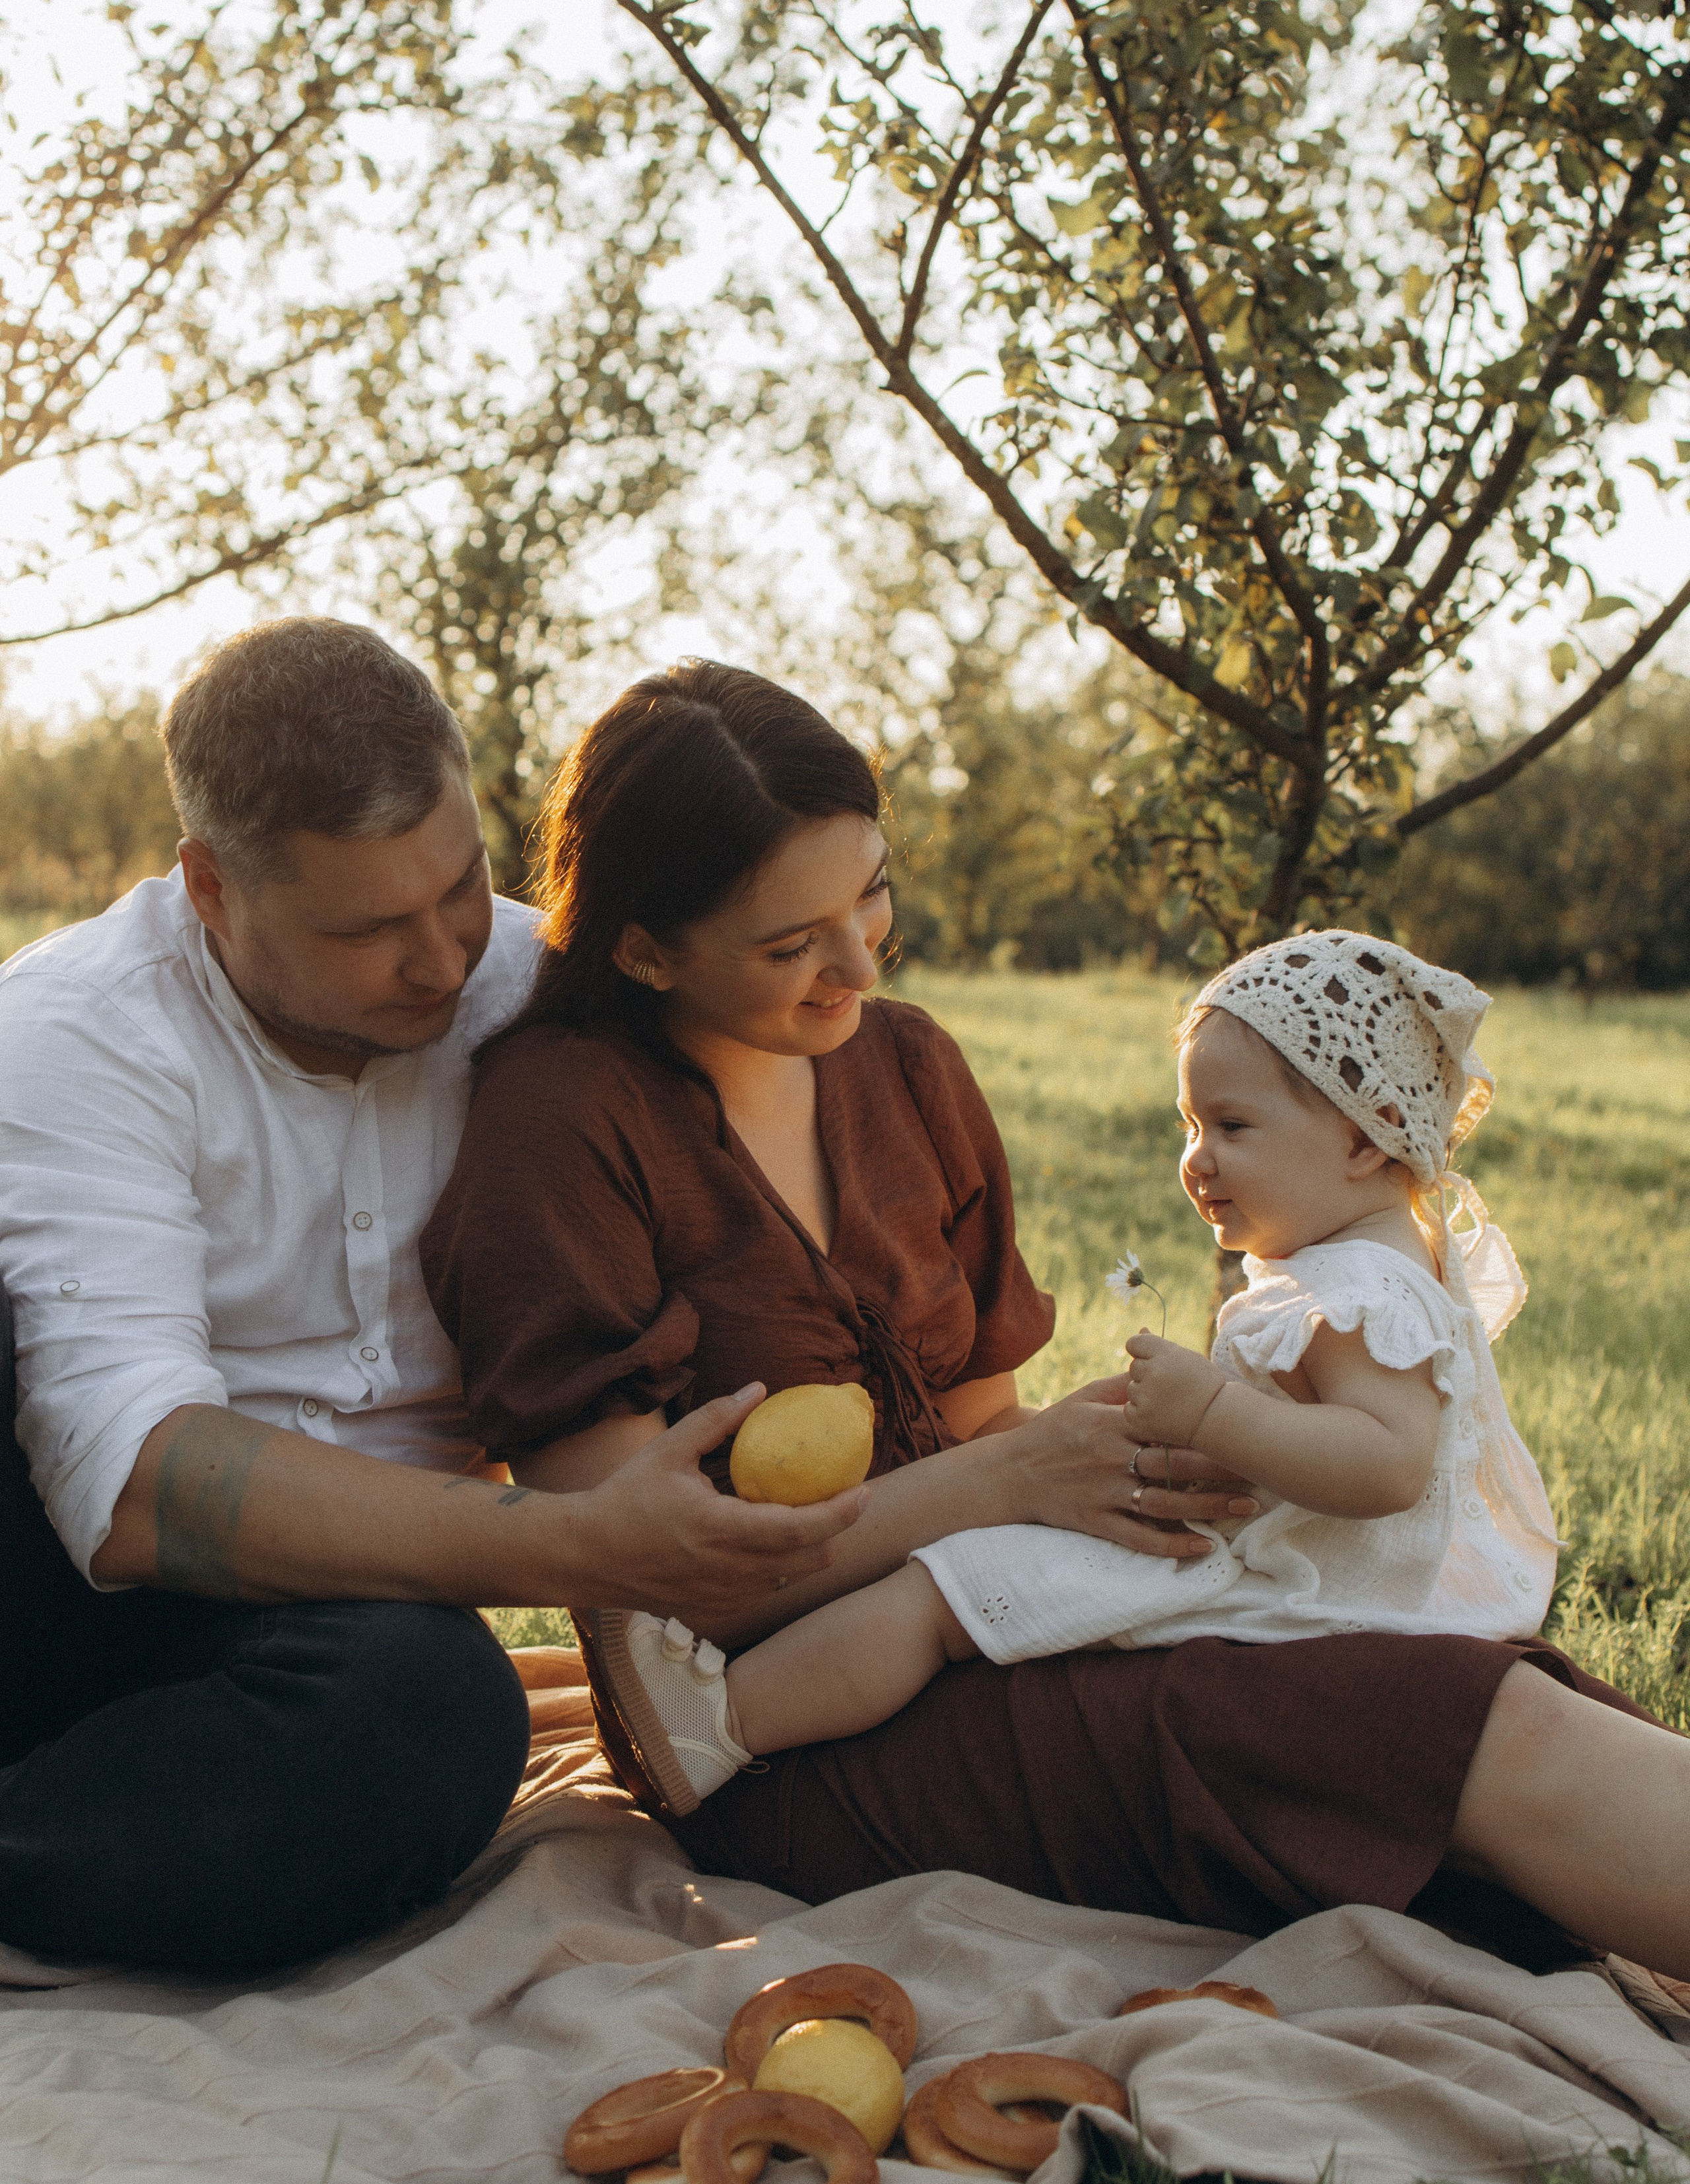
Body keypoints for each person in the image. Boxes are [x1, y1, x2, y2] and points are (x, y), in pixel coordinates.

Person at [427, 659, 1690, 1985]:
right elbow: (632, 1566)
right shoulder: (559, 1127)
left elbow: (984, 1428)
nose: (857, 963)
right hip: (770, 1732)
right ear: (641, 947)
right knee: (1434, 1734)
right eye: (791, 944)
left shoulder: (904, 1069)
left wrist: (1145, 1485)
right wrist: (1004, 1484)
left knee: (1464, 1685)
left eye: (867, 897)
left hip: (976, 1619)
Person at [0, 622, 860, 1973]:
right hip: (51, 1575)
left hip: (345, 1633)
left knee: (437, 1716)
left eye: (459, 885)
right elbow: (133, 1484)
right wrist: (576, 1543)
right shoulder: (78, 1030)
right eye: (365, 928)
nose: (443, 957)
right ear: (210, 890)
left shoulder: (550, 996)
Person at [585, 932, 1563, 1812]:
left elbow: (1386, 1465)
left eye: (1231, 1126)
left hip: (1271, 1587)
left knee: (946, 1594)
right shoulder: (1366, 1266)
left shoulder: (1364, 1290)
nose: (1196, 1158)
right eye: (1189, 1125)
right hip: (1261, 1559)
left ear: (1364, 1134)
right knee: (978, 1568)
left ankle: (721, 1723)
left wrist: (1215, 1410)